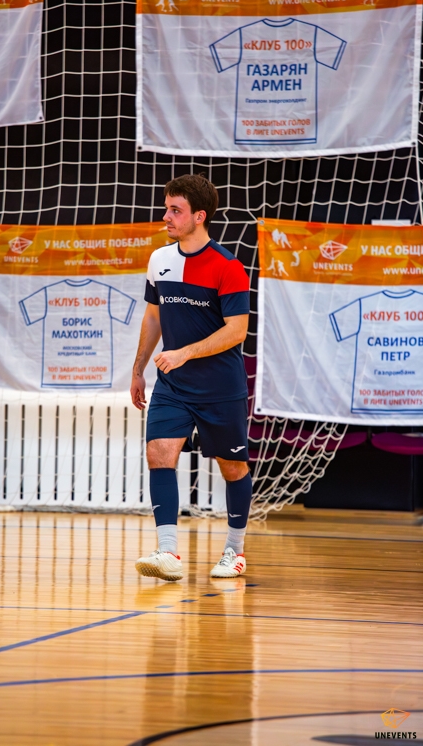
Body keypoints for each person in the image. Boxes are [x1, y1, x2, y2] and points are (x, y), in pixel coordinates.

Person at [130, 174, 252, 581]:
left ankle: (234, 551)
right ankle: (168, 553)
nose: (166, 216)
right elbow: (153, 317)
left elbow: (237, 331)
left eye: (175, 210)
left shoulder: (228, 267)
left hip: (220, 387)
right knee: (159, 454)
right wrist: (138, 370)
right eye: (166, 208)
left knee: (233, 467)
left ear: (199, 216)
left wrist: (185, 352)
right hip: (173, 385)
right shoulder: (159, 260)